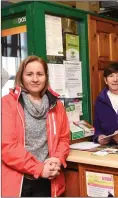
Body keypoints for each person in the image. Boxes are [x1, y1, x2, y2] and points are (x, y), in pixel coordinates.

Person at [2, 55, 70, 197]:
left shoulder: (56, 105)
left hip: (49, 179)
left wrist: (57, 158)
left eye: (40, 74)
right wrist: (39, 168)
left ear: (46, 77)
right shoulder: (7, 103)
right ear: (21, 77)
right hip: (20, 182)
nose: (35, 79)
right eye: (29, 74)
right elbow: (8, 147)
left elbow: (64, 138)